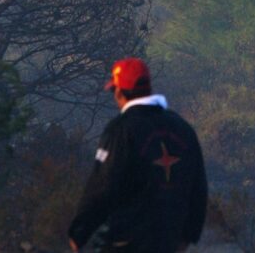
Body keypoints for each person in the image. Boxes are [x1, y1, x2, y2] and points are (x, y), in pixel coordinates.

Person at [68, 58, 208, 253]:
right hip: (168, 241)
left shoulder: (121, 129)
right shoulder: (183, 129)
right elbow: (199, 188)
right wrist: (189, 235)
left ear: (118, 92)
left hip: (124, 242)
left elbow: (102, 185)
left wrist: (79, 232)